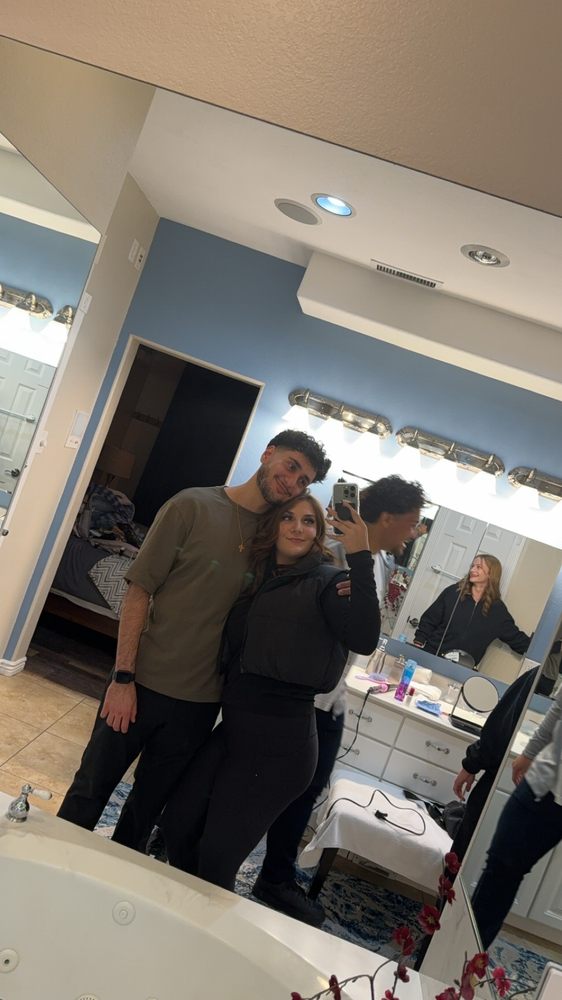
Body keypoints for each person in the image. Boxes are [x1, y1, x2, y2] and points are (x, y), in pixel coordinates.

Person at [57, 430, 331, 851]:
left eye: (304, 481)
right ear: (268, 454)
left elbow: (309, 580)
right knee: (88, 792)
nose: (292, 482)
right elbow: (139, 590)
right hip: (140, 684)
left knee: (144, 813)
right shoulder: (192, 505)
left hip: (201, 704)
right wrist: (123, 678)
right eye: (291, 467)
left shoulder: (276, 538)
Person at [161, 492, 381, 891]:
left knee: (216, 860)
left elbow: (364, 638)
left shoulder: (329, 582)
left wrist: (360, 556)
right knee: (178, 824)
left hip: (281, 747)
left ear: (317, 533)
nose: (297, 527)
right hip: (235, 731)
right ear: (273, 525)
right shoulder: (257, 575)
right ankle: (182, 911)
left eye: (309, 521)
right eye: (288, 518)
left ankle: (204, 920)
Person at [251, 475, 428, 925]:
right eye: (410, 523)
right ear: (386, 517)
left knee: (307, 788)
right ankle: (267, 875)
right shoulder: (333, 550)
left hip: (331, 698)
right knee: (268, 780)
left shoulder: (378, 561)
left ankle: (276, 874)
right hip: (302, 695)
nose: (413, 532)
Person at [471, 678, 562, 949]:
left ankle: (462, 953)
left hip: (547, 787)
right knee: (501, 875)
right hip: (545, 784)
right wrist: (530, 753)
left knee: (500, 876)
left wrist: (530, 753)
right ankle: (464, 953)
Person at [413, 553, 530, 666]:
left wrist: (536, 651)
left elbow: (515, 637)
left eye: (478, 567)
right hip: (433, 654)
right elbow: (430, 618)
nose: (472, 570)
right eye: (472, 566)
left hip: (464, 666)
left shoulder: (497, 609)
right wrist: (419, 639)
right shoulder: (453, 592)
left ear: (491, 574)